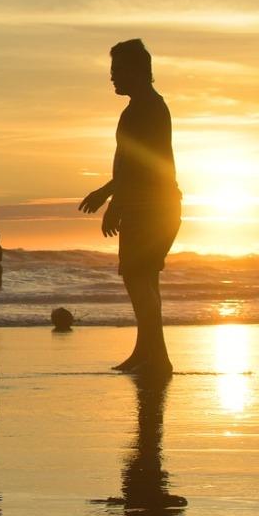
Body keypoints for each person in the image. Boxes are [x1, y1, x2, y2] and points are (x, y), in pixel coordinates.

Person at [78, 39, 182, 377]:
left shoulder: (146, 109)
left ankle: (158, 358)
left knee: (137, 278)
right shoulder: (142, 107)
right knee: (145, 279)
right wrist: (116, 199)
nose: (112, 77)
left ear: (138, 71)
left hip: (152, 207)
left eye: (117, 70)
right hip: (150, 206)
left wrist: (108, 197)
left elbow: (139, 165)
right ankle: (147, 352)